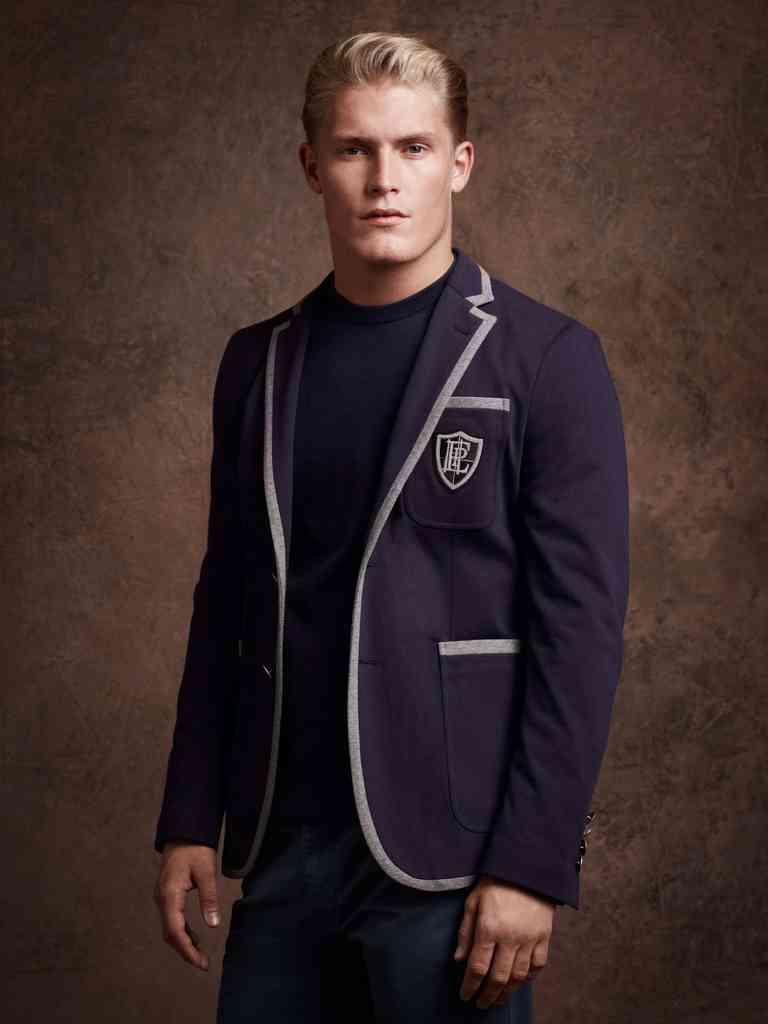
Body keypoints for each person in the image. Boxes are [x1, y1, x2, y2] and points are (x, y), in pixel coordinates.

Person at [152, 31, 630, 1022]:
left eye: (413, 147)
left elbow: (578, 636)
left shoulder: (549, 359)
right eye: (354, 149)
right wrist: (190, 812)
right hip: (283, 843)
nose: (383, 178)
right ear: (311, 166)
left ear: (460, 162)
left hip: (453, 862)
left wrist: (532, 862)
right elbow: (225, 600)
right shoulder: (257, 363)